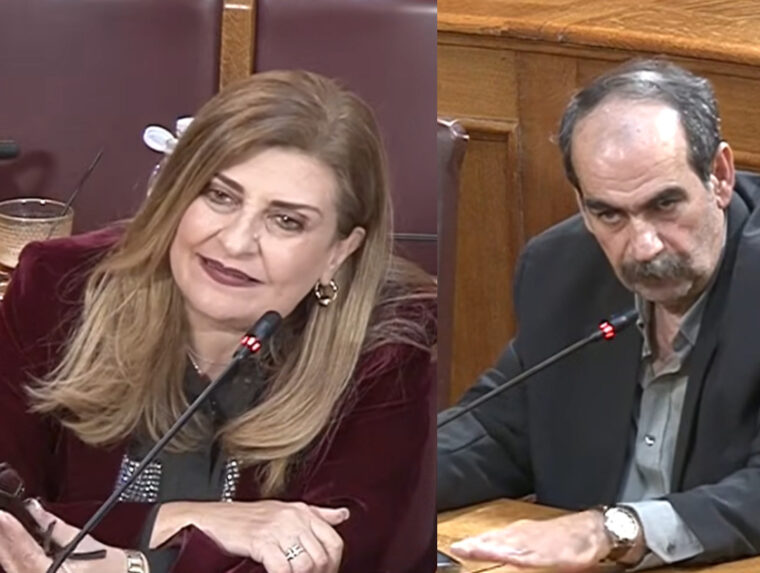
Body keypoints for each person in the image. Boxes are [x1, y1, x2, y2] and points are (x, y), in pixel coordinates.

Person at [0, 70, 436, 573]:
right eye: (220, 196)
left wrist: (131, 565)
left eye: (286, 221)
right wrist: (186, 519)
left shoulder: (386, 348)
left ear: (339, 251)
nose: (235, 241)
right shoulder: (58, 286)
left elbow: (336, 555)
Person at [437, 58, 760, 570]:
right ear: (582, 204)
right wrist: (364, 479)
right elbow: (497, 432)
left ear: (719, 176)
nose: (643, 246)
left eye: (664, 205)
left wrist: (611, 531)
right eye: (609, 214)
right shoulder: (560, 269)